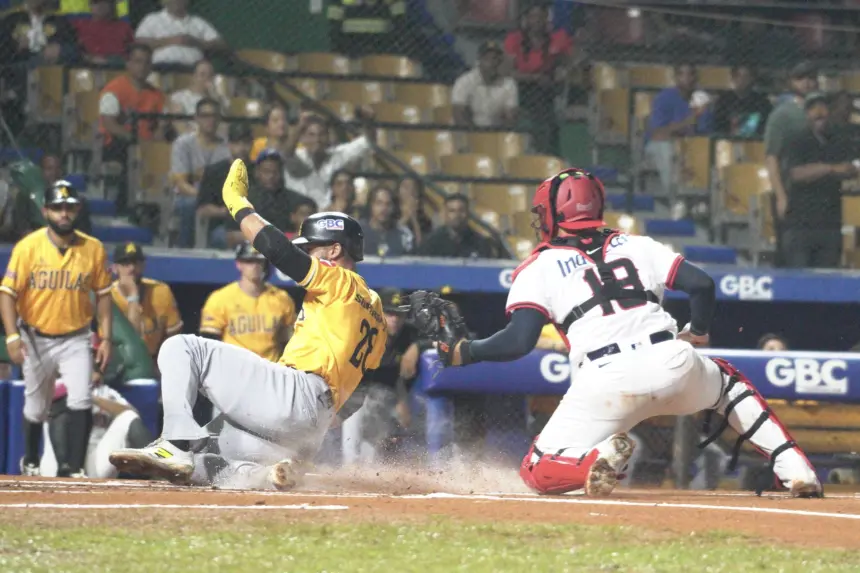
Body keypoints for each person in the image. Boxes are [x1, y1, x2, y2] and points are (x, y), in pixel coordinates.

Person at [423, 168, 821, 498]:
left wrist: (465, 352)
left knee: (536, 470)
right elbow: (702, 286)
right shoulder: (639, 244)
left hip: (604, 379)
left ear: (552, 214)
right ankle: (797, 471)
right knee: (730, 387)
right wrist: (696, 332)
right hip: (672, 360)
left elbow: (518, 341)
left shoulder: (537, 267)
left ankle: (592, 462)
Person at [109, 159, 387, 491]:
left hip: (296, 394)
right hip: (310, 426)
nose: (310, 254)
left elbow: (277, 249)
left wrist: (238, 205)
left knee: (181, 347)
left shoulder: (340, 279)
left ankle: (174, 442)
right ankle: (266, 476)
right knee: (208, 454)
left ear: (336, 248)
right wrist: (317, 424)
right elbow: (362, 390)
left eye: (314, 248)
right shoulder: (376, 310)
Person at [0, 180, 113, 478]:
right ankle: (32, 460)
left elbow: (103, 296)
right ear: (46, 210)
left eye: (70, 207)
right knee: (36, 407)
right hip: (35, 336)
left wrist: (106, 338)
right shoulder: (28, 247)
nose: (64, 213)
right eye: (58, 207)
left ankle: (74, 467)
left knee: (81, 399)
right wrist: (12, 335)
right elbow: (7, 294)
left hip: (76, 335)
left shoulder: (93, 248)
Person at [779, 93, 858, 269]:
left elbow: (850, 168)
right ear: (806, 113)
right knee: (798, 283)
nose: (819, 113)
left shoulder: (838, 141)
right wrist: (830, 168)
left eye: (823, 107)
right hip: (800, 224)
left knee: (826, 283)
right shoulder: (796, 139)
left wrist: (841, 169)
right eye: (814, 108)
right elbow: (796, 174)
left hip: (830, 224)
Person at [341, 288, 415, 464]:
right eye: (390, 314)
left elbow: (442, 339)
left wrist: (417, 347)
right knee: (357, 410)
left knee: (372, 459)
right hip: (356, 393)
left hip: (383, 398)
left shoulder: (408, 336)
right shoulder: (365, 332)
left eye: (399, 315)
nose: (395, 319)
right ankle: (349, 464)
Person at [40, 366, 153, 479]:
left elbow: (133, 414)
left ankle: (158, 470)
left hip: (95, 461)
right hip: (56, 463)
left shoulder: (106, 392)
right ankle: (64, 469)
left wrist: (93, 399)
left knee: (128, 416)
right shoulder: (61, 384)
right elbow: (48, 401)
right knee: (60, 415)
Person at [199, 242, 297, 362]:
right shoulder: (220, 298)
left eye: (258, 261)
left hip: (271, 371)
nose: (254, 266)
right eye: (249, 261)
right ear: (239, 264)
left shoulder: (281, 298)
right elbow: (208, 344)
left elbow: (290, 341)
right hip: (234, 369)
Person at [503, 2, 573, 153]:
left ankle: (547, 149)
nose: (537, 21)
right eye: (533, 16)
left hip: (548, 86)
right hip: (520, 86)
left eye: (541, 16)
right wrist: (534, 78)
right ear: (526, 19)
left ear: (546, 18)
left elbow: (571, 62)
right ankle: (544, 148)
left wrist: (563, 70)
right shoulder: (514, 39)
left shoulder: (557, 38)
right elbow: (507, 72)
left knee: (545, 99)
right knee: (540, 102)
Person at [0, 0, 78, 133]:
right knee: (34, 65)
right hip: (16, 68)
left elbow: (74, 49)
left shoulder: (58, 20)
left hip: (51, 70)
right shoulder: (10, 19)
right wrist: (16, 46)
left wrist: (59, 49)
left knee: (61, 60)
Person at [169, 97, 232, 248]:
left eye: (214, 116)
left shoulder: (226, 148)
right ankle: (185, 251)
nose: (210, 120)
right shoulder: (183, 144)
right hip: (188, 197)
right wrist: (203, 197)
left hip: (218, 200)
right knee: (190, 205)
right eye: (205, 116)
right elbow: (181, 183)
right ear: (196, 118)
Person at [644, 63, 712, 201]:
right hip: (659, 145)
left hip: (690, 145)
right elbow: (657, 134)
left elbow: (704, 133)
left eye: (691, 74)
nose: (687, 78)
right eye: (682, 74)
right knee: (668, 150)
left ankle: (703, 200)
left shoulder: (702, 100)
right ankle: (675, 198)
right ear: (676, 77)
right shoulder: (663, 98)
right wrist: (685, 124)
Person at [283, 111, 377, 209]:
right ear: (302, 138)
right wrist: (299, 126)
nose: (317, 139)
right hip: (299, 217)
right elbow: (285, 155)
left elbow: (367, 141)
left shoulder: (337, 155)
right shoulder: (297, 156)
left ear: (328, 137)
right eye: (311, 135)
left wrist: (368, 122)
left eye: (321, 134)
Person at [764, 61, 819, 225]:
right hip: (791, 190)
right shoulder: (782, 115)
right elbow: (772, 157)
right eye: (800, 78)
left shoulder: (826, 112)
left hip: (819, 193)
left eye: (811, 78)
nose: (806, 83)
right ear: (791, 82)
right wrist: (781, 196)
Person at [110, 242, 183, 363]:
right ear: (114, 268)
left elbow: (174, 335)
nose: (132, 268)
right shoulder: (108, 296)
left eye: (136, 263)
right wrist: (133, 296)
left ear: (143, 265)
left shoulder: (161, 291)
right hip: (118, 362)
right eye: (125, 264)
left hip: (154, 360)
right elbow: (132, 341)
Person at [98, 43, 166, 169]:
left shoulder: (157, 95)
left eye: (147, 63)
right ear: (128, 64)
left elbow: (160, 126)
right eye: (138, 62)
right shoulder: (113, 90)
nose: (142, 67)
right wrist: (136, 140)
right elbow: (109, 124)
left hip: (149, 147)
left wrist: (156, 142)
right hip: (120, 145)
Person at [197, 122, 254, 249]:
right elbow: (203, 209)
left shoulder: (259, 171)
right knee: (220, 236)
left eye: (246, 143)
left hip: (253, 224)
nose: (242, 148)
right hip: (223, 226)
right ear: (229, 144)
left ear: (252, 144)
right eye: (237, 143)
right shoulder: (214, 171)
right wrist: (228, 212)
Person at [134, 0, 227, 68]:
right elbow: (139, 43)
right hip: (161, 69)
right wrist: (171, 40)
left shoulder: (197, 22)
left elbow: (221, 44)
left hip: (193, 71)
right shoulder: (152, 19)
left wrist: (196, 42)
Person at [452, 41, 518, 128]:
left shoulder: (509, 84)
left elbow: (510, 118)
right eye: (487, 58)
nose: (492, 63)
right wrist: (476, 135)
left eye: (495, 58)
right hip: (468, 133)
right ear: (479, 60)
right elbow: (459, 115)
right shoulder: (464, 81)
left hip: (497, 134)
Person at [417, 194, 497, 259]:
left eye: (461, 210)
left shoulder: (481, 243)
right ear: (445, 214)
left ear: (468, 213)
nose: (457, 215)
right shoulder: (431, 243)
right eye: (452, 211)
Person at [168, 59, 230, 135]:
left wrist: (215, 97)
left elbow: (226, 126)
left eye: (210, 75)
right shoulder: (178, 98)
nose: (207, 79)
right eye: (202, 75)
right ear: (194, 77)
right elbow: (180, 127)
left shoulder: (221, 100)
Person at [40, 152, 93, 234]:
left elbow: (82, 232)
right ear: (41, 172)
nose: (54, 173)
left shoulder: (78, 201)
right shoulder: (28, 199)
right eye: (49, 169)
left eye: (57, 169)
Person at [712, 65, 772, 137]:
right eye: (740, 77)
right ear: (733, 78)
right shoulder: (723, 101)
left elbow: (767, 126)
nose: (743, 81)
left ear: (753, 79)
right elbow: (718, 126)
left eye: (747, 77)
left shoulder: (762, 102)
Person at [73, 0, 134, 65]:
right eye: (96, 2)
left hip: (117, 68)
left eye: (105, 2)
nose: (100, 6)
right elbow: (74, 51)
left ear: (112, 5)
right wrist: (89, 58)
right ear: (90, 5)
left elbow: (133, 54)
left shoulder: (124, 27)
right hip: (85, 68)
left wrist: (110, 60)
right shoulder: (79, 25)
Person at [360, 186, 414, 258]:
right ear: (371, 205)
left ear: (393, 207)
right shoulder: (356, 232)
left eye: (388, 204)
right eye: (379, 203)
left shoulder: (404, 234)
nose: (384, 208)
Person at [397, 175, 432, 248]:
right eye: (405, 187)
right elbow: (391, 236)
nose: (409, 191)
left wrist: (414, 219)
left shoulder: (425, 220)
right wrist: (405, 218)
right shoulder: (392, 212)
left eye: (413, 188)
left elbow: (422, 244)